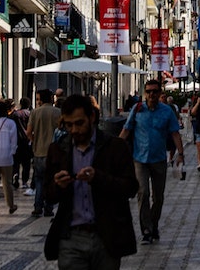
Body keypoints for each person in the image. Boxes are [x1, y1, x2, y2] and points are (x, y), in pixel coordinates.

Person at [44, 94, 139, 269]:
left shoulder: (115, 147)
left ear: (92, 117)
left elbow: (130, 188)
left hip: (105, 235)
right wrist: (58, 186)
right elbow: (48, 196)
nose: (74, 130)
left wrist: (98, 178)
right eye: (69, 125)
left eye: (79, 123)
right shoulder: (58, 150)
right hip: (71, 238)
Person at [119, 78, 183, 244]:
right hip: (139, 158)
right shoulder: (137, 109)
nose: (151, 94)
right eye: (148, 91)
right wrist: (115, 149)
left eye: (155, 91)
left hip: (159, 159)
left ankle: (154, 225)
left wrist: (181, 153)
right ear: (145, 93)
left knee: (159, 197)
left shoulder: (167, 111)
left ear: (160, 93)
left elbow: (175, 133)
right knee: (143, 193)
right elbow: (126, 129)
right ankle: (146, 230)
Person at [28, 88, 62, 216]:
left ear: (41, 99)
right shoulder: (58, 112)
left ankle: (38, 207)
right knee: (52, 181)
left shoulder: (35, 112)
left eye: (37, 99)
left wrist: (34, 140)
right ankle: (49, 208)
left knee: (39, 180)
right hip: (54, 153)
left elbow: (28, 132)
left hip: (39, 152)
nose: (37, 101)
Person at [13, 97, 34, 191]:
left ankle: (15, 177)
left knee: (16, 163)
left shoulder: (15, 114)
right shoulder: (30, 114)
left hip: (17, 142)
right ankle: (25, 181)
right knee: (26, 164)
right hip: (27, 142)